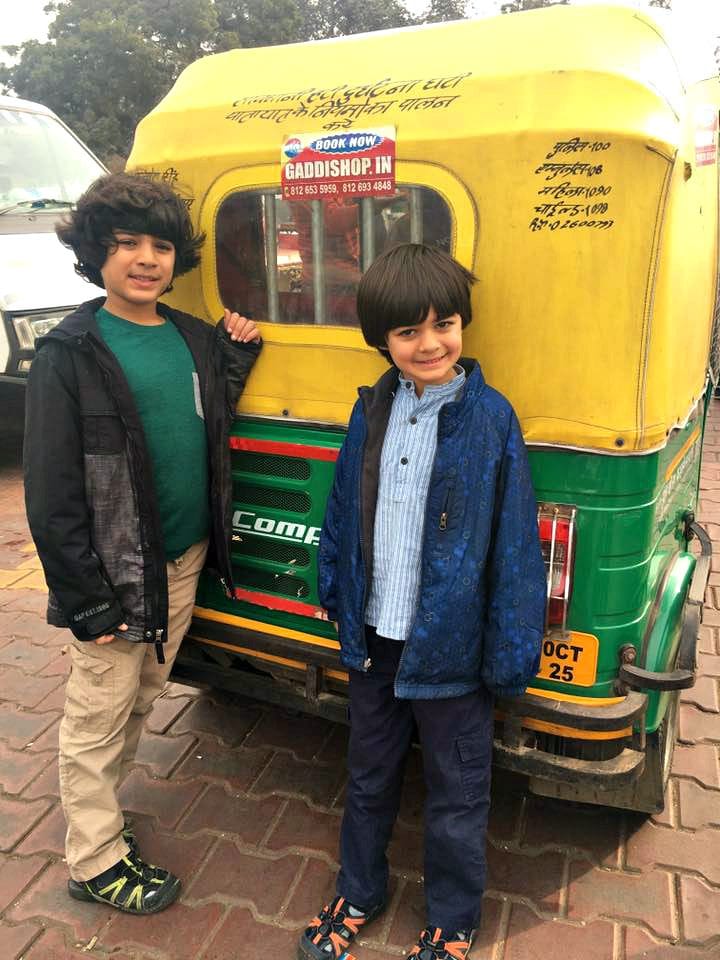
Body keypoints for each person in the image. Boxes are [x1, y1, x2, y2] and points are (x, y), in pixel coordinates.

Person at [297, 243, 545, 960]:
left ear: (463, 324)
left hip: (454, 651)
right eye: (408, 332)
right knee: (369, 773)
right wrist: (337, 593)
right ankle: (360, 890)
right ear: (384, 341)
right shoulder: (372, 410)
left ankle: (453, 920)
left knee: (458, 791)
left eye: (444, 324)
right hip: (375, 639)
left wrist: (507, 653)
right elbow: (343, 507)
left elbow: (513, 548)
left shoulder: (492, 420)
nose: (429, 343)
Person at [23, 172, 262, 915]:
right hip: (114, 574)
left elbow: (208, 410)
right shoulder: (73, 350)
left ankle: (105, 821)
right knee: (98, 713)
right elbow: (50, 493)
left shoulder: (190, 336)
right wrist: (88, 598)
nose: (145, 259)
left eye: (160, 245)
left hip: (183, 559)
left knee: (142, 696)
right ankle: (94, 859)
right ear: (96, 254)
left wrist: (235, 357)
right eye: (125, 244)